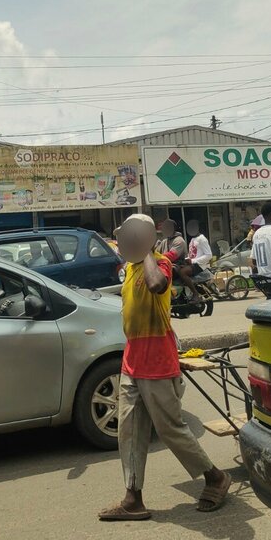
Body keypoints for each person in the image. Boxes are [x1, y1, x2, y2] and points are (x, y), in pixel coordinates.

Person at [99, 213, 230, 521]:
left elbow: (157, 285)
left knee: (170, 429)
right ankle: (133, 498)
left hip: (157, 361)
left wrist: (146, 250)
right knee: (129, 433)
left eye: (134, 238)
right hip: (133, 361)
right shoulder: (131, 268)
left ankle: (215, 477)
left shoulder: (160, 264)